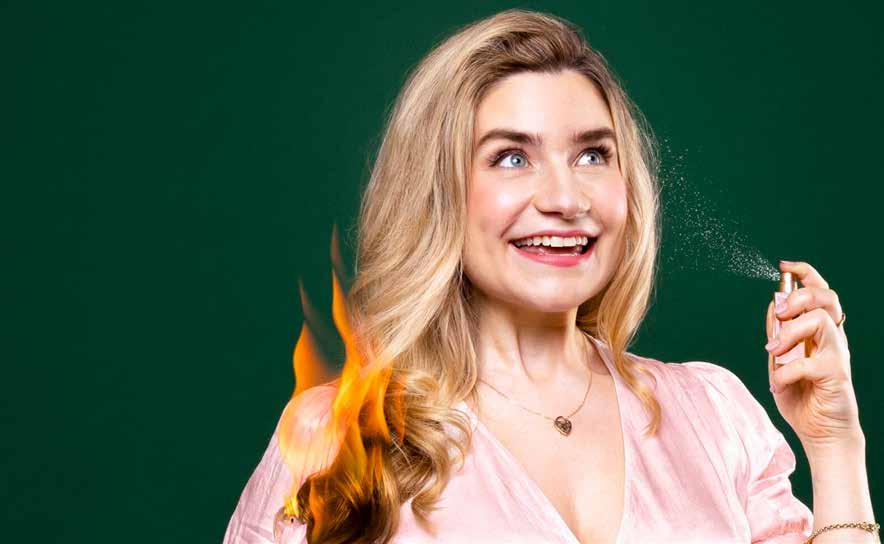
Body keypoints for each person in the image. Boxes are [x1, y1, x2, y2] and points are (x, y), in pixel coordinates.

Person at [223, 9, 876, 544]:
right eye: (511, 157)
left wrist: (834, 444)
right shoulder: (341, 436)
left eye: (592, 154)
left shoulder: (714, 414)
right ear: (438, 192)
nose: (566, 198)